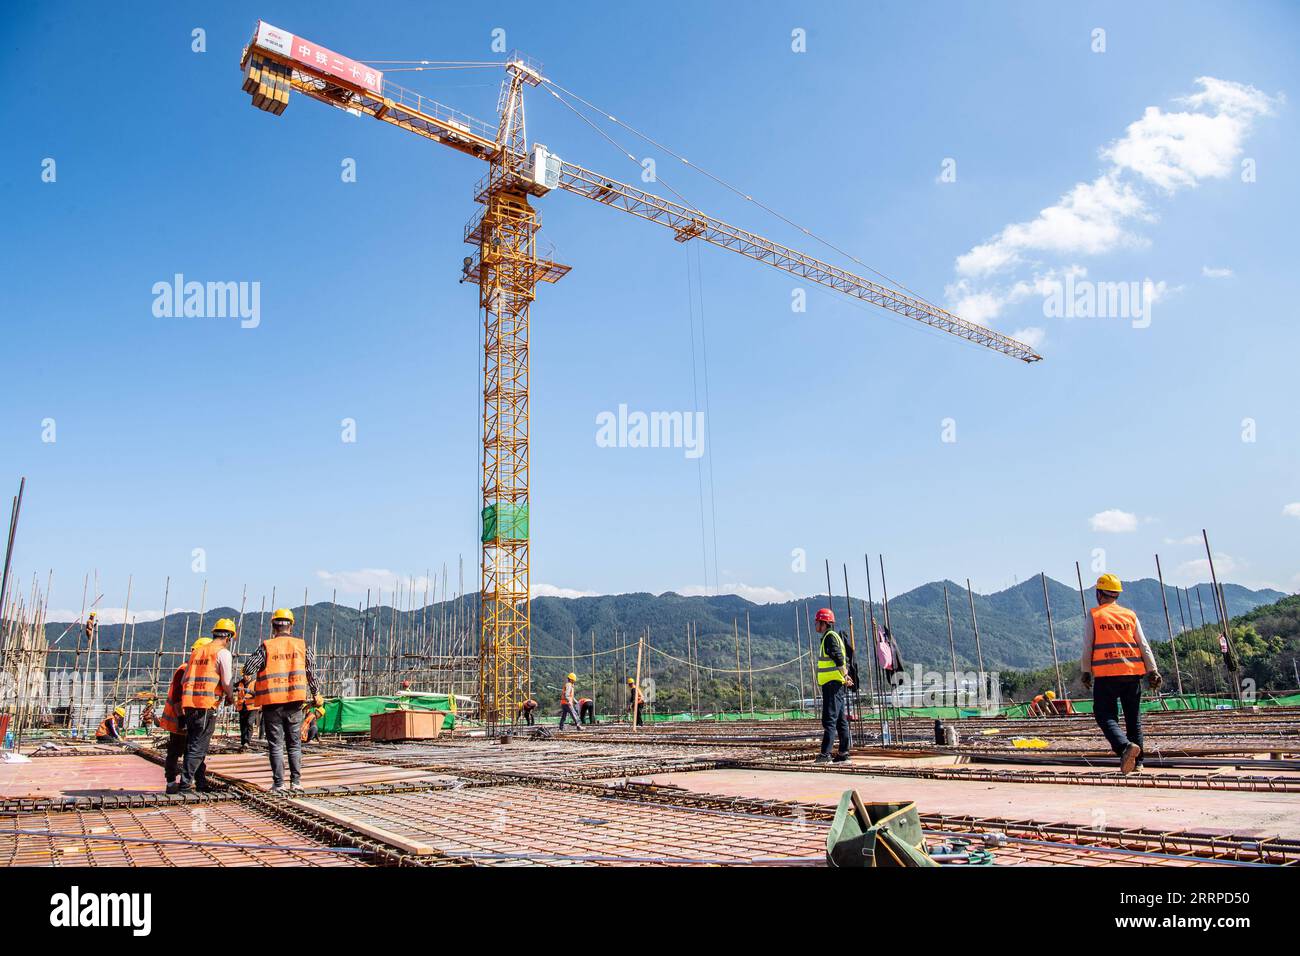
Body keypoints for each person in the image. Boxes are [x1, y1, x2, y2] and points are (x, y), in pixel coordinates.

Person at [1080, 574, 1162, 774]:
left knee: (1104, 715)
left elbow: (1087, 645)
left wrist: (1085, 671)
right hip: (1132, 674)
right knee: (1133, 719)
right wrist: (1153, 670)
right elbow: (1143, 645)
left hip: (1106, 675)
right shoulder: (1129, 615)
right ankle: (1139, 762)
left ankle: (1125, 748)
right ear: (1116, 594)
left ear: (1099, 594)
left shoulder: (1095, 615)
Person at [242, 608, 320, 791]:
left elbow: (248, 668)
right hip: (294, 702)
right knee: (294, 744)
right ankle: (296, 783)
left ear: (273, 626)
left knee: (276, 745)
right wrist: (316, 692)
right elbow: (311, 672)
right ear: (291, 626)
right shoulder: (301, 646)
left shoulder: (267, 646)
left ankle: (279, 784)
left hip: (272, 703)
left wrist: (247, 676)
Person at [178, 621, 237, 792]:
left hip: (189, 704)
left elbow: (184, 681)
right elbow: (226, 681)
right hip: (205, 705)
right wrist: (231, 697)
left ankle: (200, 781)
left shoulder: (197, 652)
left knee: (195, 743)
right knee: (198, 746)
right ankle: (185, 784)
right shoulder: (222, 653)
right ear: (229, 637)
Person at [161, 639, 209, 793]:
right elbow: (176, 698)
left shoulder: (198, 671)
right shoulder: (184, 670)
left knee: (195, 750)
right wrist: (182, 719)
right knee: (176, 751)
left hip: (192, 718)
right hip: (178, 719)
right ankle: (171, 783)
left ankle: (199, 782)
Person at [812, 607, 852, 764]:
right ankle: (843, 753)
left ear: (824, 623)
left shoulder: (829, 637)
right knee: (840, 719)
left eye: (817, 622)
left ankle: (825, 754)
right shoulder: (832, 637)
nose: (815, 625)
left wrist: (845, 675)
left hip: (832, 684)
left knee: (829, 719)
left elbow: (839, 659)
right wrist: (845, 677)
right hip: (835, 683)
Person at [235, 676, 261, 751]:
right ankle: (243, 743)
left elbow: (258, 694)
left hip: (252, 707)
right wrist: (236, 689)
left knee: (249, 722)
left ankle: (247, 742)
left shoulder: (255, 682)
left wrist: (250, 691)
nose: (245, 677)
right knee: (242, 724)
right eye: (244, 675)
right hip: (242, 707)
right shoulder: (240, 682)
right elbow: (232, 687)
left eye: (247, 675)